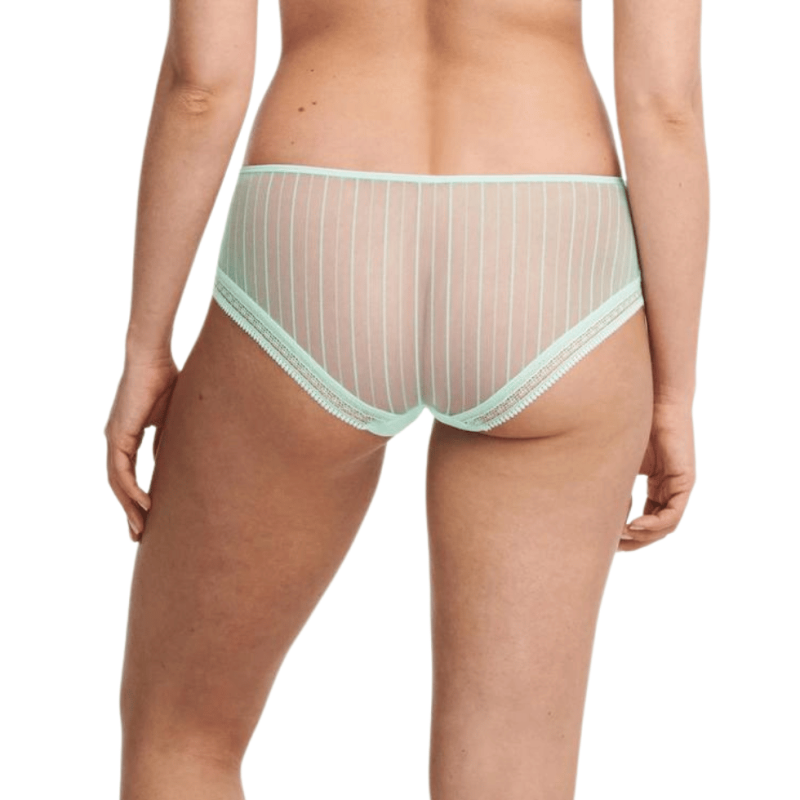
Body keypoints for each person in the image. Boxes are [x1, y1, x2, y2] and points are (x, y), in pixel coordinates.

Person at [104, 0, 708, 796]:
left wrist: (145, 345)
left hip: (317, 236)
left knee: (182, 736)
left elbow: (202, 84)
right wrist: (673, 392)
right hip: (549, 247)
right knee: (512, 761)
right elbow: (664, 105)